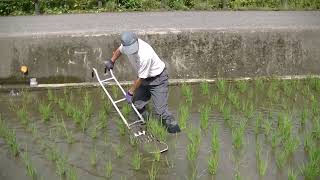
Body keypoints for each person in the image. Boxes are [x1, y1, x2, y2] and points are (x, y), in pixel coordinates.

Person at [105, 31, 181, 133]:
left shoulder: (145, 54)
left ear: (136, 41)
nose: (131, 51)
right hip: (144, 80)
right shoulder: (126, 45)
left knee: (161, 112)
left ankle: (175, 132)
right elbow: (119, 50)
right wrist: (112, 61)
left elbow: (140, 78)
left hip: (158, 79)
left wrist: (130, 92)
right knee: (137, 105)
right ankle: (146, 125)